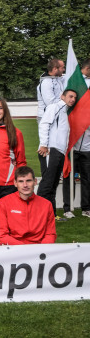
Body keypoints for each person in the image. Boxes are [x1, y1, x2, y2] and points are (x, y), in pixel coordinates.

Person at [38, 88, 77, 220]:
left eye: (74, 98)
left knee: (53, 185)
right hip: (50, 150)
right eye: (70, 96)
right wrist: (44, 144)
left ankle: (51, 215)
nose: (72, 99)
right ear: (62, 96)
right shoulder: (55, 107)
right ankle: (40, 215)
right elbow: (44, 124)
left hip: (59, 152)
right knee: (47, 184)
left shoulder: (65, 112)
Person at [0, 166, 57, 245]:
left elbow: (50, 234)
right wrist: (25, 249)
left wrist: (41, 249)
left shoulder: (46, 205)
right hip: (14, 249)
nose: (25, 185)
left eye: (28, 181)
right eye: (21, 181)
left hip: (39, 249)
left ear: (35, 182)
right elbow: (1, 235)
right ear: (15, 183)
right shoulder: (3, 203)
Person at [72, 59, 90, 218]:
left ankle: (85, 207)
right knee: (69, 175)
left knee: (87, 178)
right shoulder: (77, 82)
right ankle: (67, 206)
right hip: (73, 141)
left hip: (87, 144)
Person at [37, 58, 66, 123]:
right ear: (55, 69)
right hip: (46, 117)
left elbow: (71, 76)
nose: (64, 70)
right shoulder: (46, 83)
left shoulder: (59, 78)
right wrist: (66, 99)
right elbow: (50, 103)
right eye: (62, 68)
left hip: (56, 115)